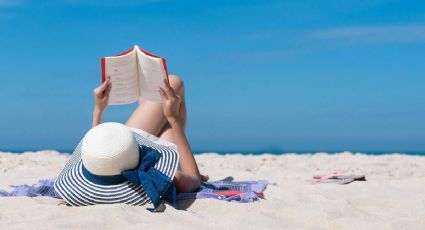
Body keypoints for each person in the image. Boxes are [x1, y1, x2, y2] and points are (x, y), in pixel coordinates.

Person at [92, 75, 207, 194]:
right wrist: (173, 118)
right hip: (128, 150)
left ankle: (144, 99)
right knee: (173, 84)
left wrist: (98, 109)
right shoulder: (166, 177)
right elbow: (194, 180)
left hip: (122, 153)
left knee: (166, 91)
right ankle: (145, 98)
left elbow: (94, 154)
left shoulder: (102, 162)